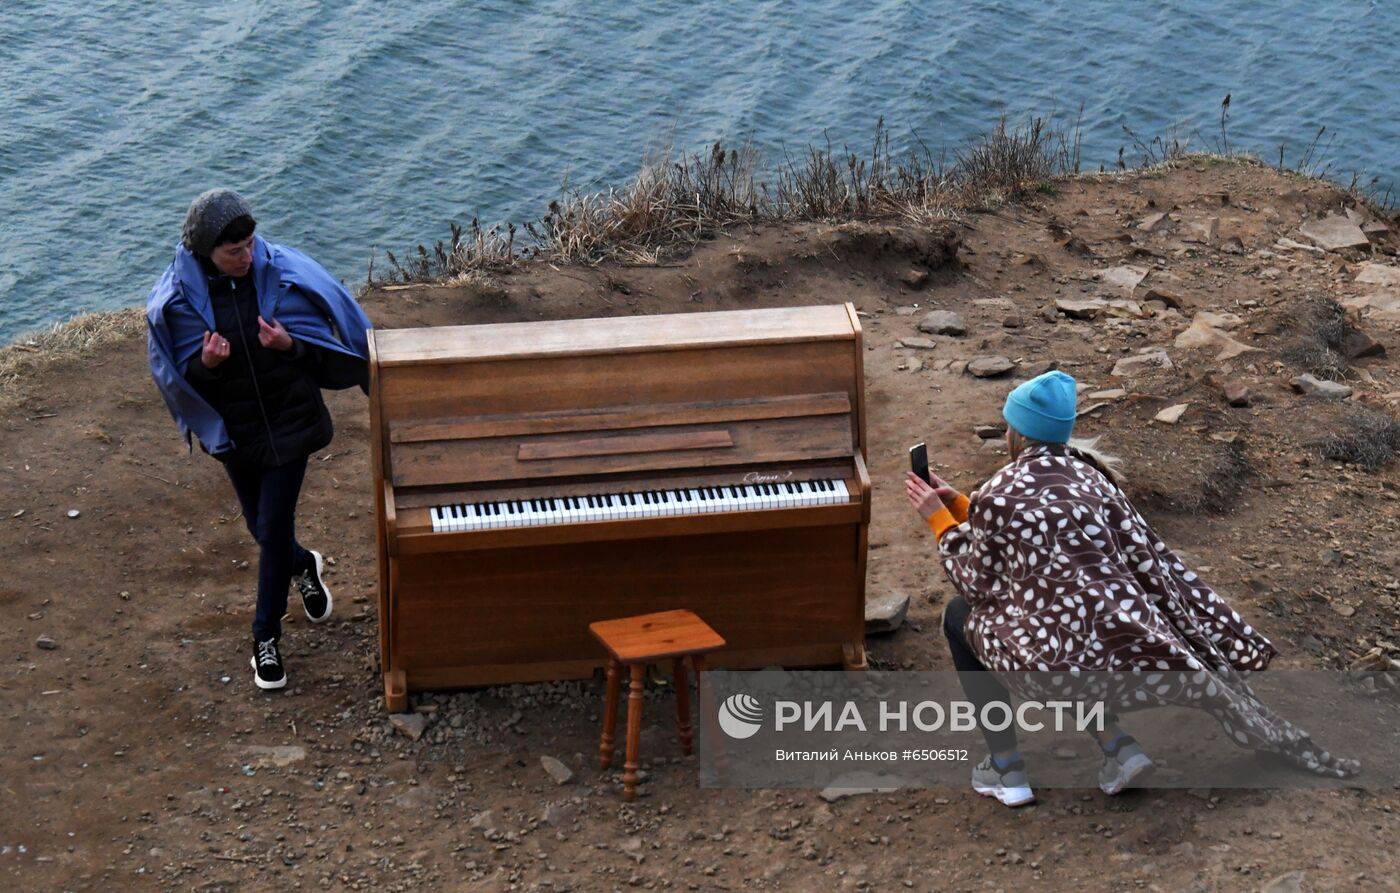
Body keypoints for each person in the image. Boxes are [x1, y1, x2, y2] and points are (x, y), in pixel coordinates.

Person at [907, 370, 1356, 808]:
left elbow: (979, 580)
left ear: (1017, 433)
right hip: (1118, 647)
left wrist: (938, 519)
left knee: (959, 616)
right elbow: (1030, 539)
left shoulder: (999, 493)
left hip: (1053, 664)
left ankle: (1008, 770)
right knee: (1070, 617)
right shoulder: (1091, 479)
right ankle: (1119, 748)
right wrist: (962, 505)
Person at [147, 188, 373, 691]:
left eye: (250, 244)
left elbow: (323, 348)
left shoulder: (281, 274)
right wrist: (206, 365)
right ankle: (304, 565)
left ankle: (265, 640)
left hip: (291, 422)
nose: (247, 257)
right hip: (236, 433)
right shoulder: (179, 302)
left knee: (271, 527)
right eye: (234, 252)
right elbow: (178, 376)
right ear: (206, 252)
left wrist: (290, 345)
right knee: (261, 527)